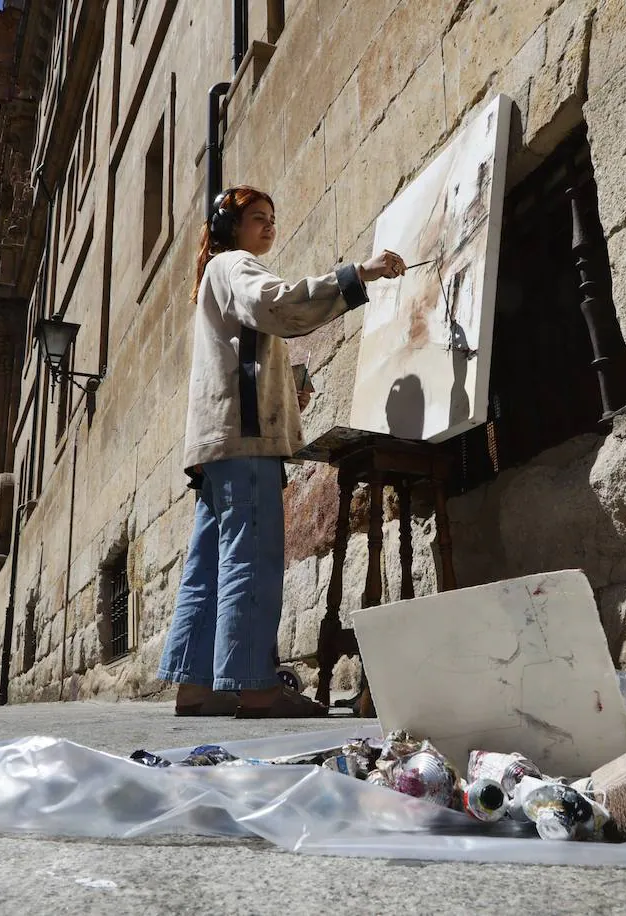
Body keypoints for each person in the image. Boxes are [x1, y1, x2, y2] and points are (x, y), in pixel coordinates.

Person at [157, 185, 405, 718]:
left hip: (219, 443)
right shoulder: (235, 264)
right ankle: (254, 686)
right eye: (256, 217)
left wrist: (285, 387)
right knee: (251, 557)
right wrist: (355, 274)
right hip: (245, 443)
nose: (268, 226)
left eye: (272, 217)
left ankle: (197, 685)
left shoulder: (215, 274)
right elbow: (275, 304)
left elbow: (241, 351)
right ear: (230, 227)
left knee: (208, 565)